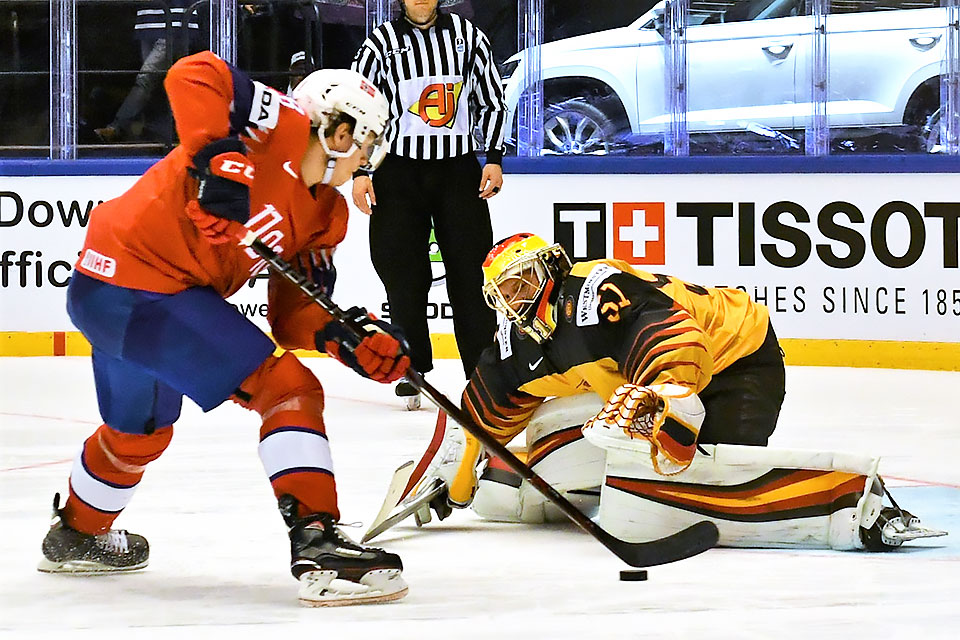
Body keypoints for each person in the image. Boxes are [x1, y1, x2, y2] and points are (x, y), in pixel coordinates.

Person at [39, 50, 414, 606]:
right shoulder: (277, 124)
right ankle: (318, 540)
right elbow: (194, 72)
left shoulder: (326, 215)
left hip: (119, 295)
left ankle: (77, 531)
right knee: (287, 390)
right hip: (138, 283)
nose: (367, 154)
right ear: (336, 128)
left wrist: (344, 338)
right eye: (364, 138)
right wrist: (219, 157)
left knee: (139, 433)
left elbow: (292, 314)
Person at [397, 233, 945, 551]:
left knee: (713, 469)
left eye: (521, 285)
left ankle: (856, 504)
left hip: (737, 359)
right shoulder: (521, 343)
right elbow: (482, 409)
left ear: (551, 270)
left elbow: (675, 338)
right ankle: (520, 479)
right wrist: (464, 479)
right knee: (574, 442)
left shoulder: (596, 294)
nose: (514, 304)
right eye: (503, 295)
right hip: (659, 381)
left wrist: (665, 398)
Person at [350, 0, 506, 410]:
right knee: (402, 273)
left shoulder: (468, 36)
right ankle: (412, 367)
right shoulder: (380, 43)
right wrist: (361, 171)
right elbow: (360, 108)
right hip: (397, 172)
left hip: (457, 171)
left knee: (472, 274)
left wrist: (491, 156)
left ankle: (480, 371)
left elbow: (490, 99)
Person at [95, 0, 202, 143]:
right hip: (148, 24)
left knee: (146, 80)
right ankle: (178, 133)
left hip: (175, 24)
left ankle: (117, 127)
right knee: (158, 83)